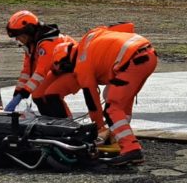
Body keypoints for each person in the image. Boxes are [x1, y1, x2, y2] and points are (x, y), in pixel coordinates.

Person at [45, 22, 157, 167]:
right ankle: (119, 138)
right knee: (122, 105)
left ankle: (131, 149)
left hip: (131, 62)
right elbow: (125, 26)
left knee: (112, 109)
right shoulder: (92, 35)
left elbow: (92, 101)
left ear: (67, 62)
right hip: (148, 54)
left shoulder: (81, 65)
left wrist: (98, 128)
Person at [2, 10, 75, 117]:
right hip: (59, 70)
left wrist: (24, 92)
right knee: (37, 95)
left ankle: (67, 123)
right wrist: (18, 92)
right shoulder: (31, 45)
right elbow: (27, 71)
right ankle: (49, 122)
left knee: (52, 94)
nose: (17, 39)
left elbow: (41, 72)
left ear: (29, 31)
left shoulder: (48, 43)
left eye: (19, 35)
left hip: (74, 71)